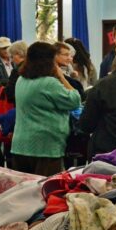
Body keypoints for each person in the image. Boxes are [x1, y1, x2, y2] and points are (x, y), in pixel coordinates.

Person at [11, 42, 81, 176]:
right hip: (45, 147)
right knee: (45, 192)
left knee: (23, 192)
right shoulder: (49, 83)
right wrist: (61, 76)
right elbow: (75, 100)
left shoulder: (21, 80)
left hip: (20, 145)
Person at [0, 40, 28, 168]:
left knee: (11, 149)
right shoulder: (35, 69)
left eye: (13, 56)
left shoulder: (17, 71)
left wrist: (3, 85)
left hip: (17, 112)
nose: (12, 59)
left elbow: (11, 94)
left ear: (18, 54)